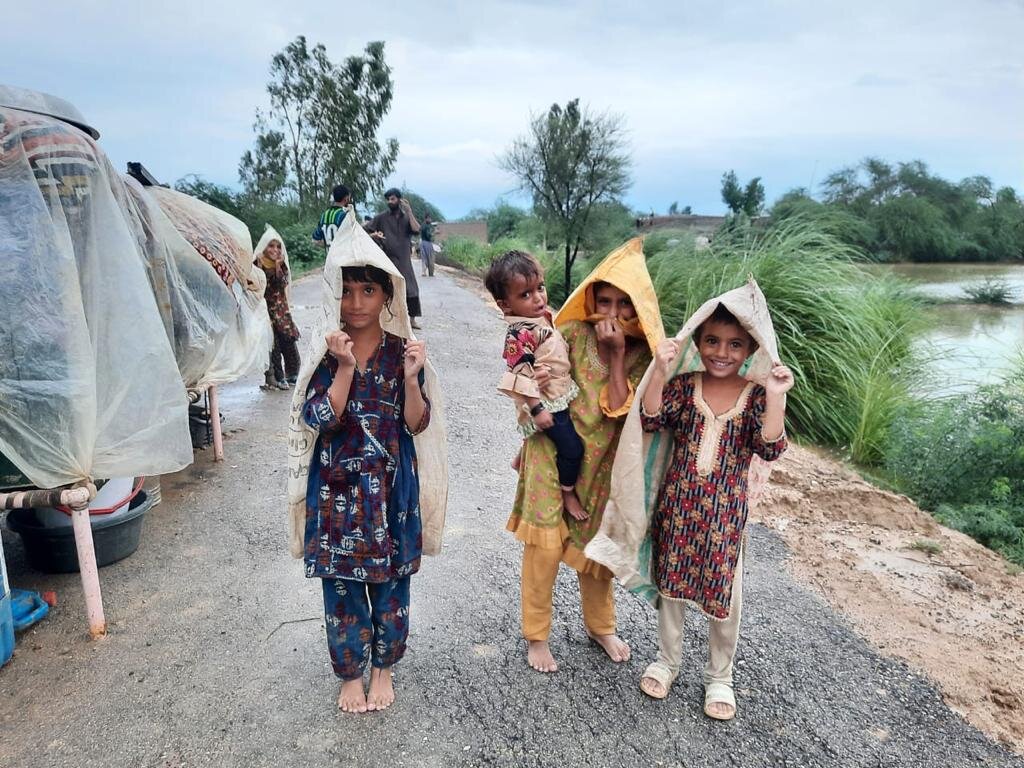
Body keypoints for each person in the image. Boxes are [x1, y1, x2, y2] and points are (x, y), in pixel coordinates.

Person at [585, 278, 792, 722]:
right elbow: (651, 416)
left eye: (736, 344)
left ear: (751, 348)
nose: (723, 352)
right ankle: (667, 660)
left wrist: (776, 397)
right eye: (713, 340)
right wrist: (660, 370)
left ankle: (720, 675)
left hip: (726, 519)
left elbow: (771, 448)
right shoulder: (686, 385)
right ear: (697, 341)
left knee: (725, 597)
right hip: (678, 511)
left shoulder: (755, 397)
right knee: (671, 589)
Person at [286, 210, 448, 714]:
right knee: (342, 587)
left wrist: (413, 378)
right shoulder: (325, 352)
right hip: (338, 492)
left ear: (387, 297)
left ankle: (383, 668)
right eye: (347, 291)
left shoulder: (406, 351)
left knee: (392, 583)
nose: (355, 303)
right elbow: (321, 418)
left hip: (391, 493)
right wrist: (345, 367)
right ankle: (351, 674)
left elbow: (417, 423)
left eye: (368, 291)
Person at [505, 238, 665, 674]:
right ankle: (537, 635)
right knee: (543, 546)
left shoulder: (644, 357)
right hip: (549, 452)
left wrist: (615, 356)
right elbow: (543, 387)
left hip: (602, 464)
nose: (611, 314)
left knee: (596, 550)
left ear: (639, 309)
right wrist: (525, 441)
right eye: (604, 300)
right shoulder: (570, 333)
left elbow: (624, 409)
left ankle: (601, 626)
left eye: (623, 304)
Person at [485, 250, 587, 522]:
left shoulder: (539, 317)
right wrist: (538, 409)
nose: (538, 298)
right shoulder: (519, 333)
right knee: (573, 449)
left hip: (555, 392)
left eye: (539, 288)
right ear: (505, 305)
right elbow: (519, 376)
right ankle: (567, 492)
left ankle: (521, 456)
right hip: (547, 403)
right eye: (525, 294)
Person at [364, 189, 422, 328]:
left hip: (403, 259)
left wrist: (409, 211)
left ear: (399, 200)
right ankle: (385, 319)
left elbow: (417, 229)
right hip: (387, 259)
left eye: (393, 199)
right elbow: (365, 230)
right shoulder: (381, 217)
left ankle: (412, 320)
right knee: (387, 288)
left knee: (411, 289)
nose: (390, 202)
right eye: (388, 199)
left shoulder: (406, 217)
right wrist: (374, 235)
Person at [253, 226, 300, 390]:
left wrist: (279, 266)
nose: (275, 250)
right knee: (272, 345)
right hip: (265, 309)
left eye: (278, 246)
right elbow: (256, 284)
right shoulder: (257, 263)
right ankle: (276, 378)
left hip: (280, 309)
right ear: (264, 246)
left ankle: (293, 374)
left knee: (288, 339)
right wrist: (259, 266)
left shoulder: (281, 264)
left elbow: (282, 284)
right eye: (271, 246)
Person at [312, 184, 352, 249]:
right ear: (346, 198)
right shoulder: (344, 216)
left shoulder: (324, 215)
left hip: (330, 258)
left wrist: (329, 244)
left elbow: (315, 240)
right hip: (345, 257)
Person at [419, 213, 436, 277]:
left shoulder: (422, 225)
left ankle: (424, 272)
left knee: (424, 257)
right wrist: (434, 233)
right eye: (429, 218)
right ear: (426, 218)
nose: (430, 219)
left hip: (422, 242)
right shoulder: (427, 226)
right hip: (427, 243)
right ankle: (430, 273)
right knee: (430, 257)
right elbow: (428, 235)